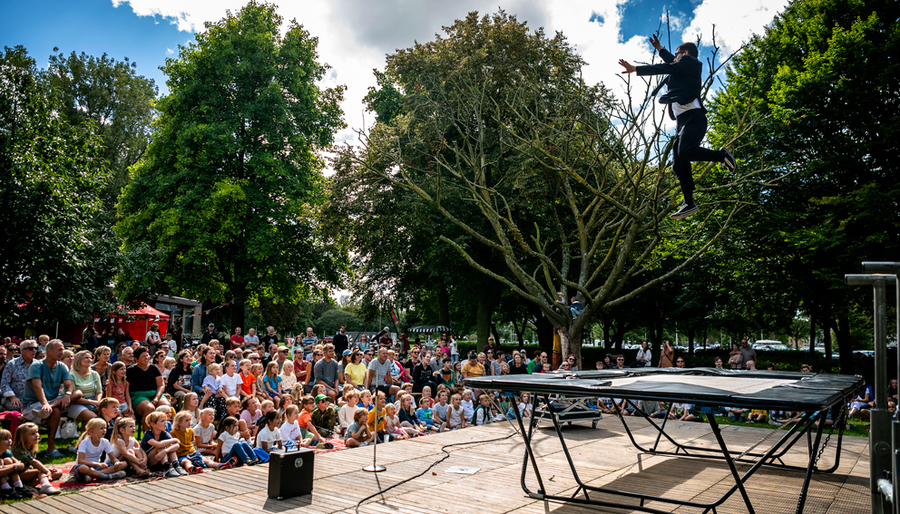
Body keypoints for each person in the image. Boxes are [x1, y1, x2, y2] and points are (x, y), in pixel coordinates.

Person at [618, 36, 736, 219]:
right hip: (683, 123)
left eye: (677, 54)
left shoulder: (690, 62)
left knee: (687, 151)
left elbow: (669, 66)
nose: (674, 57)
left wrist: (636, 69)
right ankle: (689, 203)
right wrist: (660, 49)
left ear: (685, 53)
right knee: (679, 163)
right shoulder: (682, 65)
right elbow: (671, 62)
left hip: (694, 118)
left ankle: (721, 155)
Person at [21, 340, 75, 458]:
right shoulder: (37, 366)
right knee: (55, 411)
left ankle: (84, 446)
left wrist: (67, 394)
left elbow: (69, 385)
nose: (62, 352)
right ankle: (51, 448)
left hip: (52, 402)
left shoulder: (62, 366)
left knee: (77, 393)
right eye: (59, 350)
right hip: (33, 404)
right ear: (49, 351)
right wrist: (45, 404)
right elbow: (37, 386)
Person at [127, 347, 170, 430]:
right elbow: (127, 388)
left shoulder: (153, 368)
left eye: (147, 355)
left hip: (156, 393)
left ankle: (164, 433)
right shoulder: (131, 370)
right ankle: (148, 437)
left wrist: (157, 398)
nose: (146, 358)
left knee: (166, 406)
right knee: (149, 408)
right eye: (143, 356)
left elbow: (161, 385)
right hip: (138, 395)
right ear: (136, 359)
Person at [1, 339, 39, 412]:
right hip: (15, 398)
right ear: (22, 350)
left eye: (36, 348)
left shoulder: (38, 365)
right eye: (31, 348)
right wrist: (13, 397)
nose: (34, 350)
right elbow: (4, 383)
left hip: (34, 398)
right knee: (17, 407)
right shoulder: (12, 364)